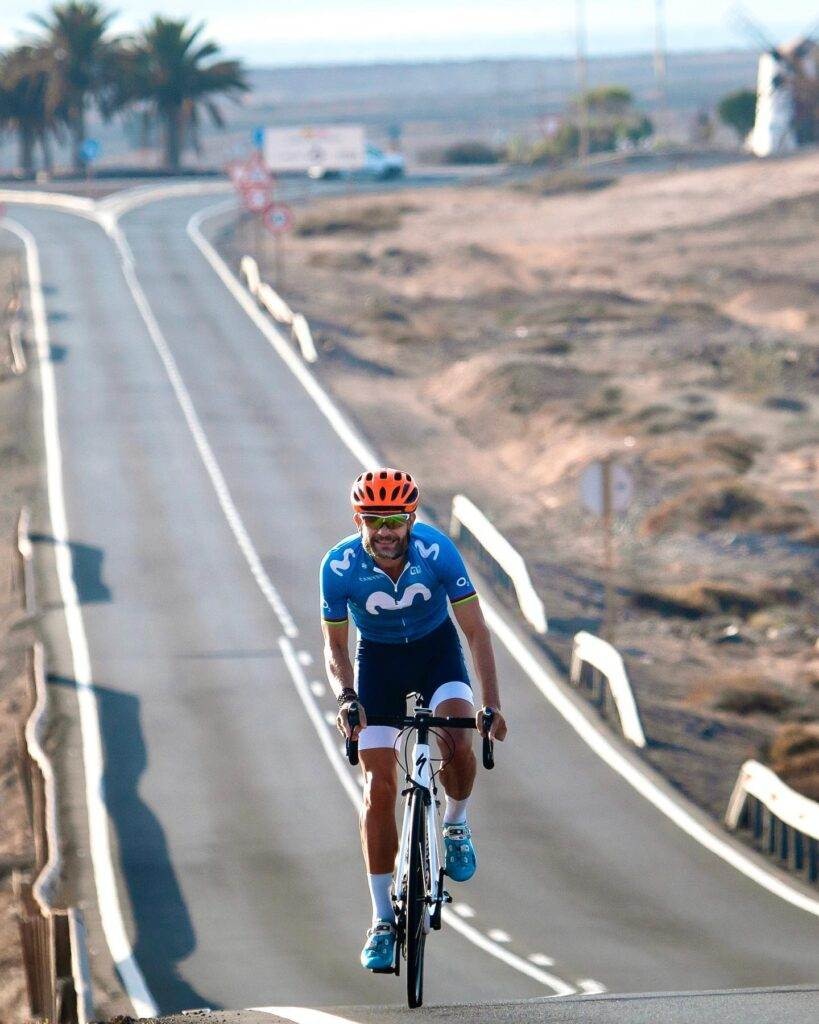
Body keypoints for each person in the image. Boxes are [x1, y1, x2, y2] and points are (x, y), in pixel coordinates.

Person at [320, 468, 508, 971]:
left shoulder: (437, 552)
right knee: (378, 786)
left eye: (396, 520)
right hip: (377, 662)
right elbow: (336, 644)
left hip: (435, 653)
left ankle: (456, 824)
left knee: (458, 738)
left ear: (411, 518)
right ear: (359, 519)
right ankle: (382, 920)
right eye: (375, 520)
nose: (386, 531)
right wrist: (346, 697)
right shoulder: (337, 567)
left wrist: (490, 705)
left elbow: (476, 632)